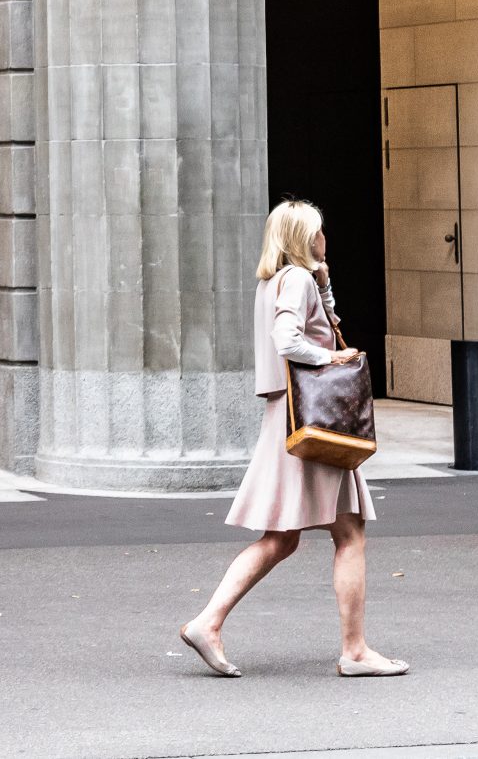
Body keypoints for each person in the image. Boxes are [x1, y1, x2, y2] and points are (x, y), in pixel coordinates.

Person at [179, 199, 407, 680]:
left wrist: (325, 285)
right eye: (320, 232)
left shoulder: (275, 282)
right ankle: (355, 651)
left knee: (282, 538)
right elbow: (291, 340)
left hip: (287, 417)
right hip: (311, 419)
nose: (326, 238)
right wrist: (332, 360)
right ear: (306, 238)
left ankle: (208, 622)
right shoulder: (296, 280)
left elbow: (312, 327)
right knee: (349, 534)